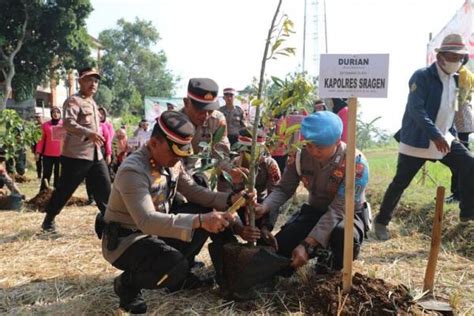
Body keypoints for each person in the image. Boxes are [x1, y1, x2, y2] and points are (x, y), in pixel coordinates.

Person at [101, 111, 253, 313]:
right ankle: (127, 285)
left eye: (182, 154)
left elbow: (195, 192)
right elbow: (146, 220)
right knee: (173, 264)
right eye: (174, 153)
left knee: (204, 209)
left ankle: (178, 277)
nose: (178, 159)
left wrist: (230, 199)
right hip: (128, 240)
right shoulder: (133, 170)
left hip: (156, 232)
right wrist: (200, 220)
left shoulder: (171, 163)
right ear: (154, 143)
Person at [374, 34, 474, 241]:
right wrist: (435, 135)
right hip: (418, 140)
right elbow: (416, 110)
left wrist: (453, 138)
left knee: (469, 163)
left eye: (461, 58)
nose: (457, 62)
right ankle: (381, 221)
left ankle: (467, 213)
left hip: (443, 138)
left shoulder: (455, 81)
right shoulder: (422, 76)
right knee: (400, 182)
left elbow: (452, 112)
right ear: (441, 57)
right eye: (453, 57)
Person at [255, 111, 370, 273]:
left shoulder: (356, 164)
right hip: (315, 211)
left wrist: (307, 245)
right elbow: (283, 188)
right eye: (309, 145)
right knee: (280, 250)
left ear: (337, 142)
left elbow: (338, 210)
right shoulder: (299, 156)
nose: (314, 152)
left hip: (347, 215)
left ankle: (333, 265)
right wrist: (264, 206)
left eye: (320, 147)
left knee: (342, 236)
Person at [41, 67, 111, 232]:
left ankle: (110, 223)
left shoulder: (92, 103)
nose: (93, 84)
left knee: (105, 188)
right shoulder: (74, 101)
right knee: (65, 189)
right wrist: (89, 133)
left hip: (95, 154)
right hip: (76, 155)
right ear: (80, 81)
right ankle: (49, 221)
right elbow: (68, 123)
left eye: (96, 81)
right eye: (89, 80)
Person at [446, 60, 474, 203]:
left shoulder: (462, 74)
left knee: (461, 159)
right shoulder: (464, 73)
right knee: (458, 158)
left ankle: (459, 194)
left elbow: (460, 100)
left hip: (460, 117)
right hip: (460, 117)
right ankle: (457, 193)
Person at [36, 107, 63, 192]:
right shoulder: (45, 125)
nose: (55, 114)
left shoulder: (64, 125)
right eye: (54, 112)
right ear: (51, 114)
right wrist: (38, 152)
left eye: (57, 112)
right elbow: (41, 140)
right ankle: (43, 192)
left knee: (58, 174)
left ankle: (57, 192)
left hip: (60, 155)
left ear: (60, 114)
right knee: (46, 173)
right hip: (48, 155)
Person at [33, 113, 44, 179]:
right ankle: (39, 175)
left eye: (38, 117)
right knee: (38, 161)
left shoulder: (44, 126)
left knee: (45, 161)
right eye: (36, 117)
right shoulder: (34, 127)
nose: (37, 119)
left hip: (44, 146)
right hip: (36, 146)